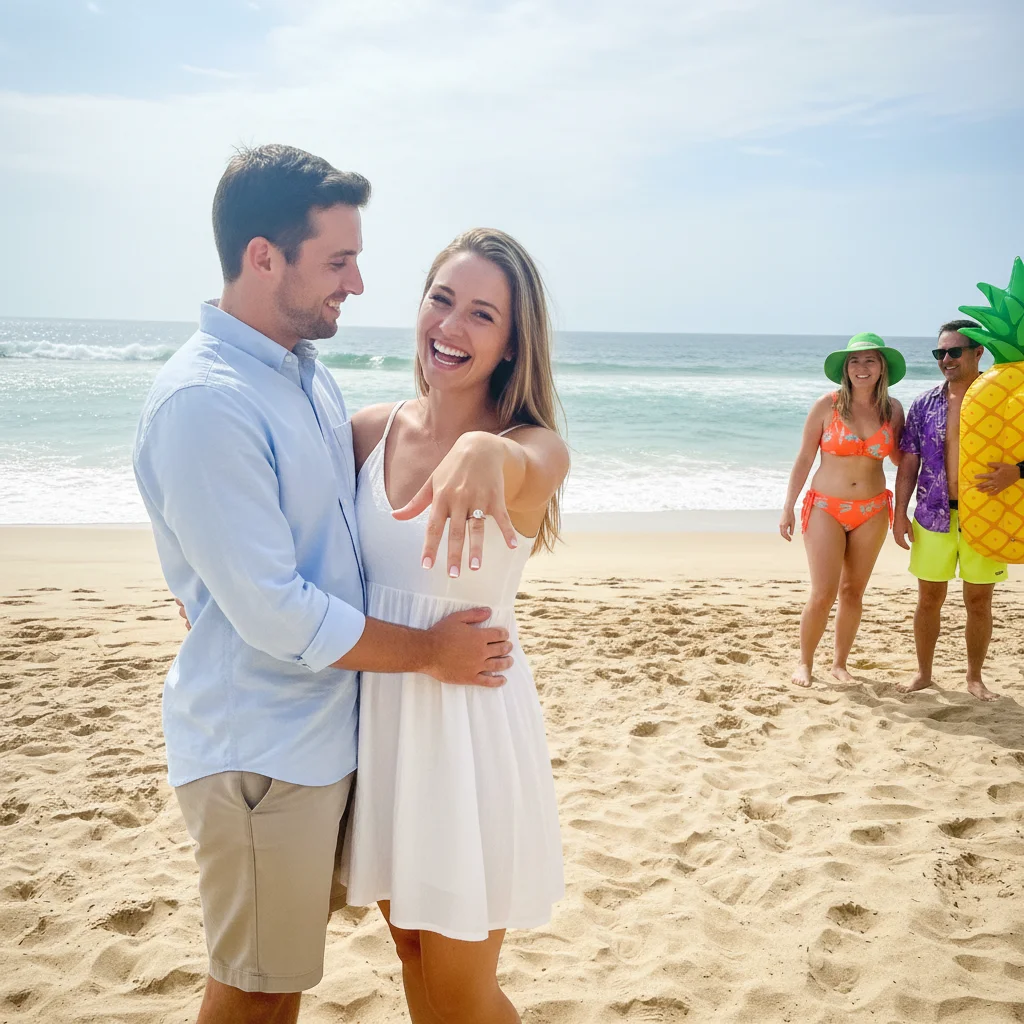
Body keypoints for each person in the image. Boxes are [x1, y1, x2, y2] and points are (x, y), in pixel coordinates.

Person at [133, 146, 520, 1024]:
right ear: (265, 256)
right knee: (258, 995)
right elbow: (275, 609)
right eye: (337, 259)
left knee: (296, 979)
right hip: (261, 751)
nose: (356, 280)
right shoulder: (207, 401)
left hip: (330, 740)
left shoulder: (304, 378)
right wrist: (428, 651)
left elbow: (314, 546)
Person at [341, 228, 568, 1024]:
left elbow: (528, 468)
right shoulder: (369, 431)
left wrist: (479, 445)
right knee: (410, 955)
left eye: (482, 315)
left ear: (511, 344)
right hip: (382, 729)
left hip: (469, 736)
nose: (452, 327)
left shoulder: (530, 448)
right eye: (442, 300)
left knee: (464, 991)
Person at [780, 333, 906, 687]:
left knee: (853, 592)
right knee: (823, 592)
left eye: (870, 361)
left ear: (882, 368)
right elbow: (805, 457)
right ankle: (804, 663)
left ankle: (839, 664)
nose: (861, 368)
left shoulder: (892, 410)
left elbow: (901, 459)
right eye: (854, 361)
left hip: (873, 509)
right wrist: (788, 506)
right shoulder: (827, 405)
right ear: (845, 369)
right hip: (825, 507)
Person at [893, 320, 1008, 702]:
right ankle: (924, 673)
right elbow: (908, 465)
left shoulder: (1003, 399)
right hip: (932, 515)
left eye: (954, 351)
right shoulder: (924, 403)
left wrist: (1017, 472)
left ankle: (974, 677)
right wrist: (899, 513)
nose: (946, 359)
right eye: (940, 352)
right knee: (928, 598)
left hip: (986, 516)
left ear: (979, 353)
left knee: (978, 601)